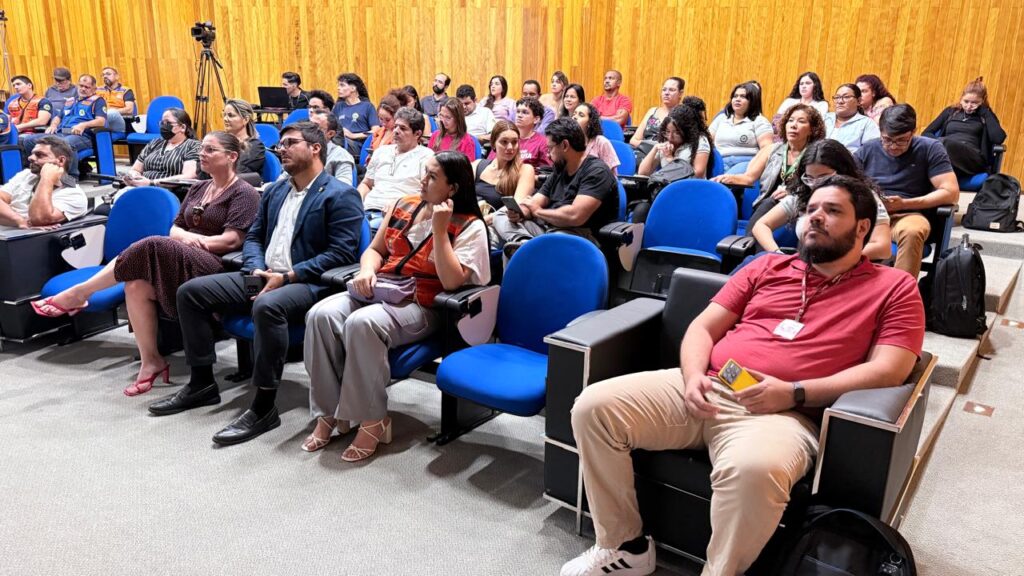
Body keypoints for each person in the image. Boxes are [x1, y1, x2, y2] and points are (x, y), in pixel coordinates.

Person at [561, 174, 925, 576]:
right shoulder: (768, 266)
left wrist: (795, 393)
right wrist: (694, 374)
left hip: (786, 414)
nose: (815, 218)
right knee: (593, 408)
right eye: (811, 210)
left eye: (832, 210)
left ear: (862, 227)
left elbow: (891, 369)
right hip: (712, 383)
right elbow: (702, 328)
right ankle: (625, 545)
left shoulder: (894, 287)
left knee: (753, 471)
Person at [147, 121, 364, 446]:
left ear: (315, 148)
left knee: (267, 305)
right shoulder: (275, 190)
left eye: (291, 143)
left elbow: (341, 253)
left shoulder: (340, 193)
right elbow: (253, 238)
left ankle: (263, 407)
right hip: (262, 274)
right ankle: (202, 382)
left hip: (307, 282)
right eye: (281, 143)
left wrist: (287, 276)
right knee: (191, 293)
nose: (282, 149)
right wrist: (255, 269)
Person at [31, 132, 260, 394]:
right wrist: (185, 237)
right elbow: (175, 228)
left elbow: (231, 241)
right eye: (202, 149)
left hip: (217, 266)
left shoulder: (244, 192)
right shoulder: (198, 187)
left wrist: (191, 240)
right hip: (182, 255)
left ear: (231, 157)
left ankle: (80, 293)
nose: (202, 154)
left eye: (210, 150)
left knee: (153, 243)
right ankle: (152, 361)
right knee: (136, 285)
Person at [302, 151, 490, 461]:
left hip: (424, 305)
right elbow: (375, 250)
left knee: (362, 323)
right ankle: (330, 412)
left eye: (432, 177)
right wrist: (367, 270)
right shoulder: (404, 204)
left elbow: (453, 282)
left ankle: (374, 419)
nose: (422, 181)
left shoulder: (469, 226)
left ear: (452, 189)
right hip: (383, 289)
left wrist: (441, 232)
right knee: (320, 315)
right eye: (424, 173)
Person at [856, 104, 959, 278]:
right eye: (887, 140)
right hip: (870, 213)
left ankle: (902, 295)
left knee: (912, 231)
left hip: (908, 214)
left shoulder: (930, 148)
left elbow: (951, 192)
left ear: (913, 132)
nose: (893, 146)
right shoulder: (868, 149)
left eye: (901, 140)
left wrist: (905, 204)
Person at [751, 139, 892, 260]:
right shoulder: (804, 192)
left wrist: (830, 261)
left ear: (843, 172)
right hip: (806, 266)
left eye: (824, 178)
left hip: (848, 270)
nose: (816, 185)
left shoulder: (864, 197)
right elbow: (761, 225)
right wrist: (777, 254)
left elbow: (883, 248)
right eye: (809, 178)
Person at [492, 118, 618, 251]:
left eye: (550, 148)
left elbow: (575, 216)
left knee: (555, 237)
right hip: (549, 228)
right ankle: (522, 243)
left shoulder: (597, 171)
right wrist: (521, 212)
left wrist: (538, 211)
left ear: (564, 145)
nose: (548, 154)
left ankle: (525, 249)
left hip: (580, 236)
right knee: (501, 216)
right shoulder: (560, 169)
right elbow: (536, 202)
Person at [713, 104, 827, 231]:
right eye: (790, 120)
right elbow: (748, 178)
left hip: (796, 209)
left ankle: (746, 244)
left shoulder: (815, 154)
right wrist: (726, 178)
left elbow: (820, 187)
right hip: (765, 207)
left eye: (801, 121)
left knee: (775, 203)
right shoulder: (772, 150)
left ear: (812, 129)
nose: (793, 125)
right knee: (768, 202)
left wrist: (792, 193)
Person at [359, 107, 434, 229]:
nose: (396, 131)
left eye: (403, 128)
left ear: (417, 134)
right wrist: (357, 200)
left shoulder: (426, 156)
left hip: (398, 215)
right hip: (366, 210)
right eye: (396, 127)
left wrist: (401, 204)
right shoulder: (380, 152)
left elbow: (427, 195)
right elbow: (367, 184)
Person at [22, 74, 107, 181]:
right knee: (29, 140)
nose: (83, 89)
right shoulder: (70, 100)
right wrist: (53, 125)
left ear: (94, 88)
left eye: (87, 87)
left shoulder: (98, 101)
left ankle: (71, 177)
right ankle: (39, 170)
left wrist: (83, 125)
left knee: (65, 143)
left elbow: (101, 121)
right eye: (81, 86)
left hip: (82, 135)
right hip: (61, 133)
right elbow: (58, 116)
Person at [922, 77, 1006, 180]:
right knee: (936, 144)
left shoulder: (985, 116)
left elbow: (998, 138)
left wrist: (984, 112)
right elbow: (926, 133)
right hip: (946, 153)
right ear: (961, 98)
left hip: (972, 159)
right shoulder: (951, 112)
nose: (969, 106)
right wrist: (937, 144)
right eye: (966, 101)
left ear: (982, 101)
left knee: (945, 143)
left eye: (974, 103)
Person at [0, 136, 87, 230]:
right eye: (32, 154)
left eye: (40, 155)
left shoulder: (75, 195)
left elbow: (38, 218)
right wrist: (19, 220)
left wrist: (47, 178)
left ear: (61, 161)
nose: (30, 158)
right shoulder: (26, 175)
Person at [120, 108, 200, 187]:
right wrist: (134, 177)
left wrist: (152, 183)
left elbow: (188, 176)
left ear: (182, 127)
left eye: (168, 123)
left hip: (168, 192)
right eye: (162, 123)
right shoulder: (154, 143)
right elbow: (135, 169)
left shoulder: (192, 145)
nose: (163, 127)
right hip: (142, 187)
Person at [472, 120, 536, 219]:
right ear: (493, 144)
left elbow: (516, 207)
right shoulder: (477, 165)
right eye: (504, 142)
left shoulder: (525, 170)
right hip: (472, 219)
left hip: (496, 224)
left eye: (514, 142)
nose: (510, 147)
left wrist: (482, 221)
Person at [708, 82, 774, 170]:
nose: (737, 99)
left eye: (743, 97)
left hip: (746, 164)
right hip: (718, 162)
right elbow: (707, 141)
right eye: (735, 96)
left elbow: (767, 149)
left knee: (724, 181)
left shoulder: (760, 121)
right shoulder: (721, 118)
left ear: (752, 101)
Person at [638, 105, 712, 179]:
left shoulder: (700, 140)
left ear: (686, 131)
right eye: (667, 131)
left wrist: (670, 159)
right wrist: (655, 149)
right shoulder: (665, 140)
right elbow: (642, 172)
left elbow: (698, 174)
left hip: (690, 187)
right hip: (667, 186)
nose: (670, 137)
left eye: (676, 132)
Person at [628, 77, 685, 151]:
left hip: (664, 157)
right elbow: (634, 140)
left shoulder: (683, 115)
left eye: (671, 90)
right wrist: (652, 147)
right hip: (641, 151)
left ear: (680, 93)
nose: (666, 93)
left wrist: (657, 149)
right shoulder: (652, 111)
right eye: (664, 90)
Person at [824, 83, 880, 153]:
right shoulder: (825, 118)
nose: (840, 101)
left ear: (859, 101)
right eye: (837, 97)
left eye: (846, 97)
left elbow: (871, 152)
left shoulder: (867, 124)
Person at [333, 72, 378, 157]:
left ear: (353, 88)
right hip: (339, 141)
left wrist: (353, 135)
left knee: (337, 142)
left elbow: (376, 130)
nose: (338, 88)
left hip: (357, 145)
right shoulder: (338, 107)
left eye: (342, 85)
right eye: (338, 85)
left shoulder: (367, 106)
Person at [219, 99, 266, 176]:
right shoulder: (221, 142)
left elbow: (238, 171)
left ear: (245, 119)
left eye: (231, 115)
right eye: (224, 115)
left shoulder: (255, 146)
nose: (225, 119)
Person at [310, 108, 356, 185]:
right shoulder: (299, 150)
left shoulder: (340, 155)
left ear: (330, 134)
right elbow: (284, 181)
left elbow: (343, 189)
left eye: (315, 127)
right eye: (309, 124)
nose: (308, 130)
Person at [573, 102, 620, 174]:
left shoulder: (602, 142)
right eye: (574, 114)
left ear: (589, 122)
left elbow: (612, 175)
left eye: (581, 115)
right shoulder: (569, 141)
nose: (575, 117)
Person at [507, 97, 551, 168]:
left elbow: (546, 172)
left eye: (525, 112)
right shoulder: (505, 138)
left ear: (536, 119)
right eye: (518, 111)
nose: (519, 115)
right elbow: (492, 163)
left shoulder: (543, 142)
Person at [97, 66, 137, 133]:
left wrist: (109, 111)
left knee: (111, 112)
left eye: (108, 74)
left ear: (117, 77)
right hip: (101, 119)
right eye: (103, 75)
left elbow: (129, 109)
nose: (105, 76)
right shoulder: (98, 90)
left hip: (119, 121)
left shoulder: (126, 91)